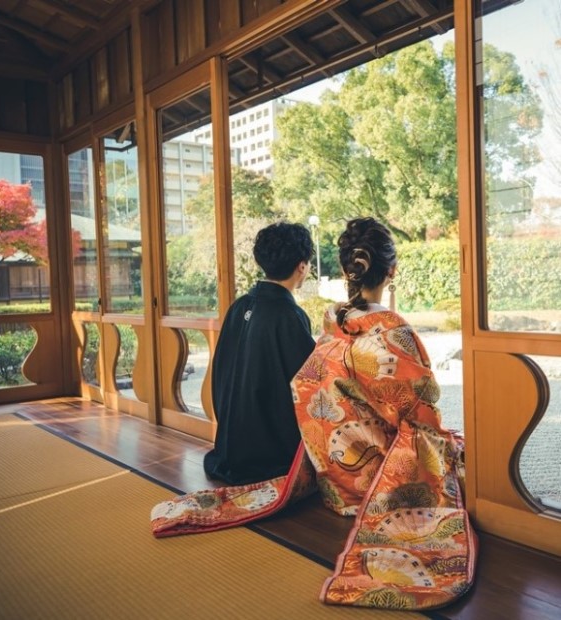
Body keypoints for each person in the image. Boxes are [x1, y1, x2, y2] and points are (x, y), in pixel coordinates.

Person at [291, 216, 476, 608]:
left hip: (335, 478)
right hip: (376, 479)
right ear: (391, 271)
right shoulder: (392, 331)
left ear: (347, 269)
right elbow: (421, 408)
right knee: (456, 449)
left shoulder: (334, 323)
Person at [203, 221, 316, 485]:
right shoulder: (288, 314)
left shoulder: (240, 305)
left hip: (229, 446)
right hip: (267, 454)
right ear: (302, 266)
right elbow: (310, 379)